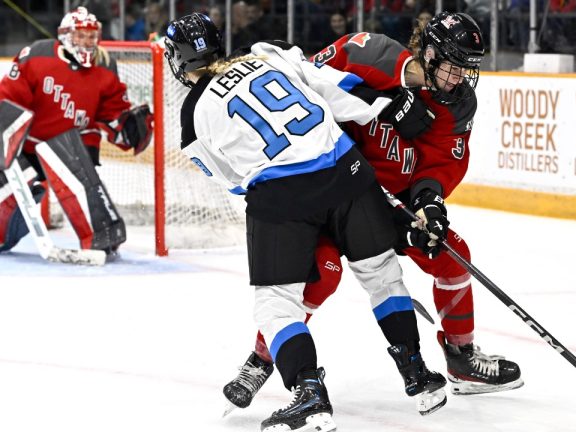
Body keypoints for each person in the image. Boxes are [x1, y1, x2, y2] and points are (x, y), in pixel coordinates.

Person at [222, 11, 523, 415]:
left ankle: (461, 357)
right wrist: (377, 99)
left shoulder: (457, 106)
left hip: (393, 204)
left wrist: (428, 205)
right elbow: (310, 79)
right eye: (452, 67)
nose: (458, 80)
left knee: (453, 257)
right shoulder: (378, 59)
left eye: (467, 70)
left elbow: (438, 166)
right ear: (429, 54)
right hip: (333, 189)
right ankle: (261, 359)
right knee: (323, 274)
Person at [163, 12, 448, 431]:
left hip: (283, 195)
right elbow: (329, 87)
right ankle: (418, 375)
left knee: (276, 303)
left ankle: (309, 392)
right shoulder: (264, 54)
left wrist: (278, 199)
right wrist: (383, 106)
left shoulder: (192, 116)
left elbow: (231, 178)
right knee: (382, 275)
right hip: (347, 168)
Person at [0, 7, 153, 258]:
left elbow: (113, 112)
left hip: (71, 145)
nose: (87, 42)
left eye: (91, 37)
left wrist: (128, 127)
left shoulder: (104, 66)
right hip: (25, 146)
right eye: (80, 36)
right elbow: (9, 97)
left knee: (74, 159)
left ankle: (103, 235)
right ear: (64, 35)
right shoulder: (37, 55)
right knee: (13, 191)